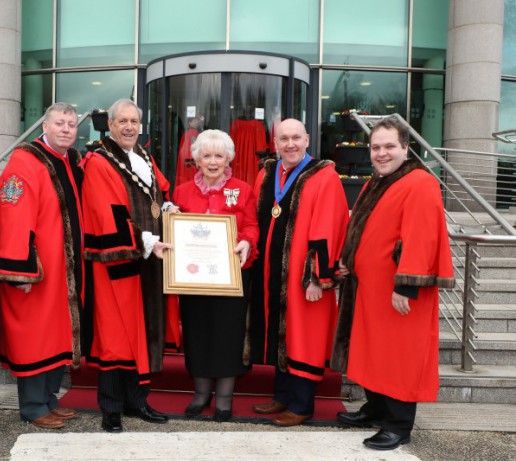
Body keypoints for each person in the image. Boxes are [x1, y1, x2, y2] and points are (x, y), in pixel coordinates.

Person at [331, 116, 455, 450]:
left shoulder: (419, 182)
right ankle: (376, 409)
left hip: (397, 292)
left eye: (389, 146)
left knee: (399, 356)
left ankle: (399, 426)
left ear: (405, 148)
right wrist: (348, 257)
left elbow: (423, 237)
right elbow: (361, 224)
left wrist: (407, 285)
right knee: (374, 352)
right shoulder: (380, 180)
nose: (381, 153)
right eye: (376, 147)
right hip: (370, 289)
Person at [249, 118, 349, 426]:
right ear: (275, 143)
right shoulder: (267, 174)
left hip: (303, 277)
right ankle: (282, 395)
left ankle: (302, 404)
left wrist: (318, 276)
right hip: (270, 273)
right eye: (283, 139)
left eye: (295, 137)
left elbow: (328, 229)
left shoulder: (324, 176)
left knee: (304, 335)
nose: (290, 144)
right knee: (281, 333)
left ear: (307, 139)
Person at [81, 98, 173, 433]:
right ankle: (111, 408)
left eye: (134, 121)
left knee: (141, 330)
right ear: (111, 124)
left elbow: (159, 193)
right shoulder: (99, 161)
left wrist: (171, 212)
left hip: (147, 256)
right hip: (116, 258)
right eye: (123, 121)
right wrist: (147, 242)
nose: (130, 127)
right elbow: (110, 213)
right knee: (115, 334)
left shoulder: (144, 156)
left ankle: (137, 400)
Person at [0, 102, 84, 430]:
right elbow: (11, 216)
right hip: (37, 271)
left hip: (62, 272)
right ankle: (32, 406)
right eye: (59, 123)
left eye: (71, 124)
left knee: (55, 336)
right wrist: (19, 271)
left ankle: (49, 399)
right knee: (34, 337)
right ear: (44, 126)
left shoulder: (68, 161)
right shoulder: (25, 162)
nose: (66, 129)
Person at [172, 129, 258, 422]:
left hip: (231, 276)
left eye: (218, 156)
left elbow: (251, 226)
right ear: (196, 159)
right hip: (194, 278)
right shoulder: (181, 192)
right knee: (197, 333)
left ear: (228, 158)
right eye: (206, 155)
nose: (212, 161)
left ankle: (224, 398)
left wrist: (247, 241)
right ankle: (200, 393)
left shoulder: (242, 189)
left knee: (227, 335)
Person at [174, 116, 203, 187]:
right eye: (194, 121)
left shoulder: (189, 134)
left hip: (187, 163)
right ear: (190, 123)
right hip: (191, 163)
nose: (196, 122)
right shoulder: (194, 135)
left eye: (197, 121)